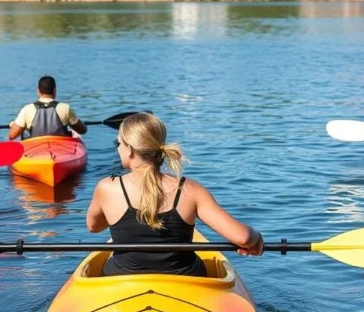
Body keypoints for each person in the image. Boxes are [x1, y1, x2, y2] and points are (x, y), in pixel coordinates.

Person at [86, 113, 263, 277]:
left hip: (122, 278)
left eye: (120, 144)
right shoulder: (190, 190)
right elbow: (243, 237)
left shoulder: (107, 188)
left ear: (130, 149)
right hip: (185, 278)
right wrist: (256, 238)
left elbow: (93, 227)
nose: (119, 149)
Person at [8, 76, 88, 140]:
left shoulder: (27, 109)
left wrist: (13, 125)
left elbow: (11, 136)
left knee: (23, 133)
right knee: (74, 132)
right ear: (55, 91)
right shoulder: (65, 108)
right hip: (61, 149)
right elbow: (83, 130)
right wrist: (78, 122)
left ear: (38, 91)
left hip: (35, 150)